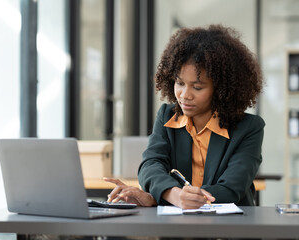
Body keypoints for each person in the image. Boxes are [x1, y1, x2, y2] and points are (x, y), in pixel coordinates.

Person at [105, 24, 264, 209]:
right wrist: (174, 195)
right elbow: (151, 165)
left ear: (221, 90)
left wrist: (161, 197)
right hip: (179, 228)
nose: (185, 95)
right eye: (180, 83)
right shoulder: (167, 116)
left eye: (197, 87)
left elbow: (230, 189)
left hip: (229, 230)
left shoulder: (249, 127)